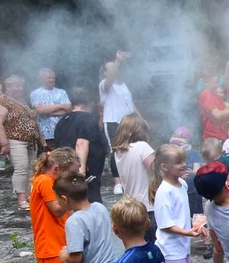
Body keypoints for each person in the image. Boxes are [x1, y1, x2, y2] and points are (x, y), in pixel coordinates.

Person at [30, 148, 81, 263]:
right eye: (72, 173)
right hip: (51, 249)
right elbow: (58, 210)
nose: (74, 177)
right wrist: (76, 193)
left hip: (61, 245)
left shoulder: (51, 181)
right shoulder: (44, 181)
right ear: (57, 169)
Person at [0, 75, 43, 208]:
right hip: (15, 140)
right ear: (8, 87)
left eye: (21, 85)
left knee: (31, 168)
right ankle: (21, 199)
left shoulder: (21, 100)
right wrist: (4, 144)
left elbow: (33, 121)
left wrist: (41, 139)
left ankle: (29, 195)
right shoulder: (2, 101)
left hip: (31, 141)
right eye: (16, 85)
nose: (20, 88)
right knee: (21, 168)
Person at [53, 88, 108, 203]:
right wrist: (81, 172)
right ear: (90, 104)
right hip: (86, 171)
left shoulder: (62, 121)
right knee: (89, 200)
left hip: (66, 170)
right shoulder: (87, 118)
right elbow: (81, 144)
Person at [111, 114, 156, 244]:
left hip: (132, 207)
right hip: (148, 206)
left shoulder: (118, 152)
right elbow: (157, 171)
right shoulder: (142, 146)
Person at [99, 52, 137, 195]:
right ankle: (117, 182)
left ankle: (129, 179)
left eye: (114, 67)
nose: (114, 69)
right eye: (110, 68)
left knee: (131, 149)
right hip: (112, 121)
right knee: (117, 151)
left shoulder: (123, 85)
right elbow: (109, 81)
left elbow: (130, 103)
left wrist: (140, 118)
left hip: (128, 121)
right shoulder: (104, 84)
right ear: (104, 72)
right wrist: (117, 61)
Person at [30, 69, 71, 151]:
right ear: (41, 79)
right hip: (45, 135)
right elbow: (40, 110)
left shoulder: (62, 92)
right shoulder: (35, 93)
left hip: (62, 132)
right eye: (48, 78)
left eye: (53, 78)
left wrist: (47, 110)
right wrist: (61, 105)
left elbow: (67, 110)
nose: (52, 80)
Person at [198, 74, 229, 141]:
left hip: (221, 135)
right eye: (216, 82)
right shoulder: (206, 95)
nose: (217, 85)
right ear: (206, 82)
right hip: (213, 137)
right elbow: (217, 115)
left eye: (218, 82)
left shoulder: (215, 96)